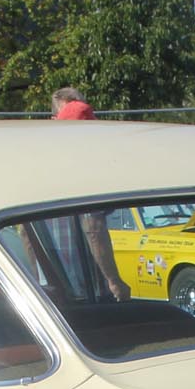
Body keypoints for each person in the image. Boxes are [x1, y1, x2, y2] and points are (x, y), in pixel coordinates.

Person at [46, 88, 133, 298]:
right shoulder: (89, 172)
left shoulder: (45, 167)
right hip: (89, 288)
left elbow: (27, 235)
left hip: (52, 291)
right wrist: (114, 281)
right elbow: (94, 228)